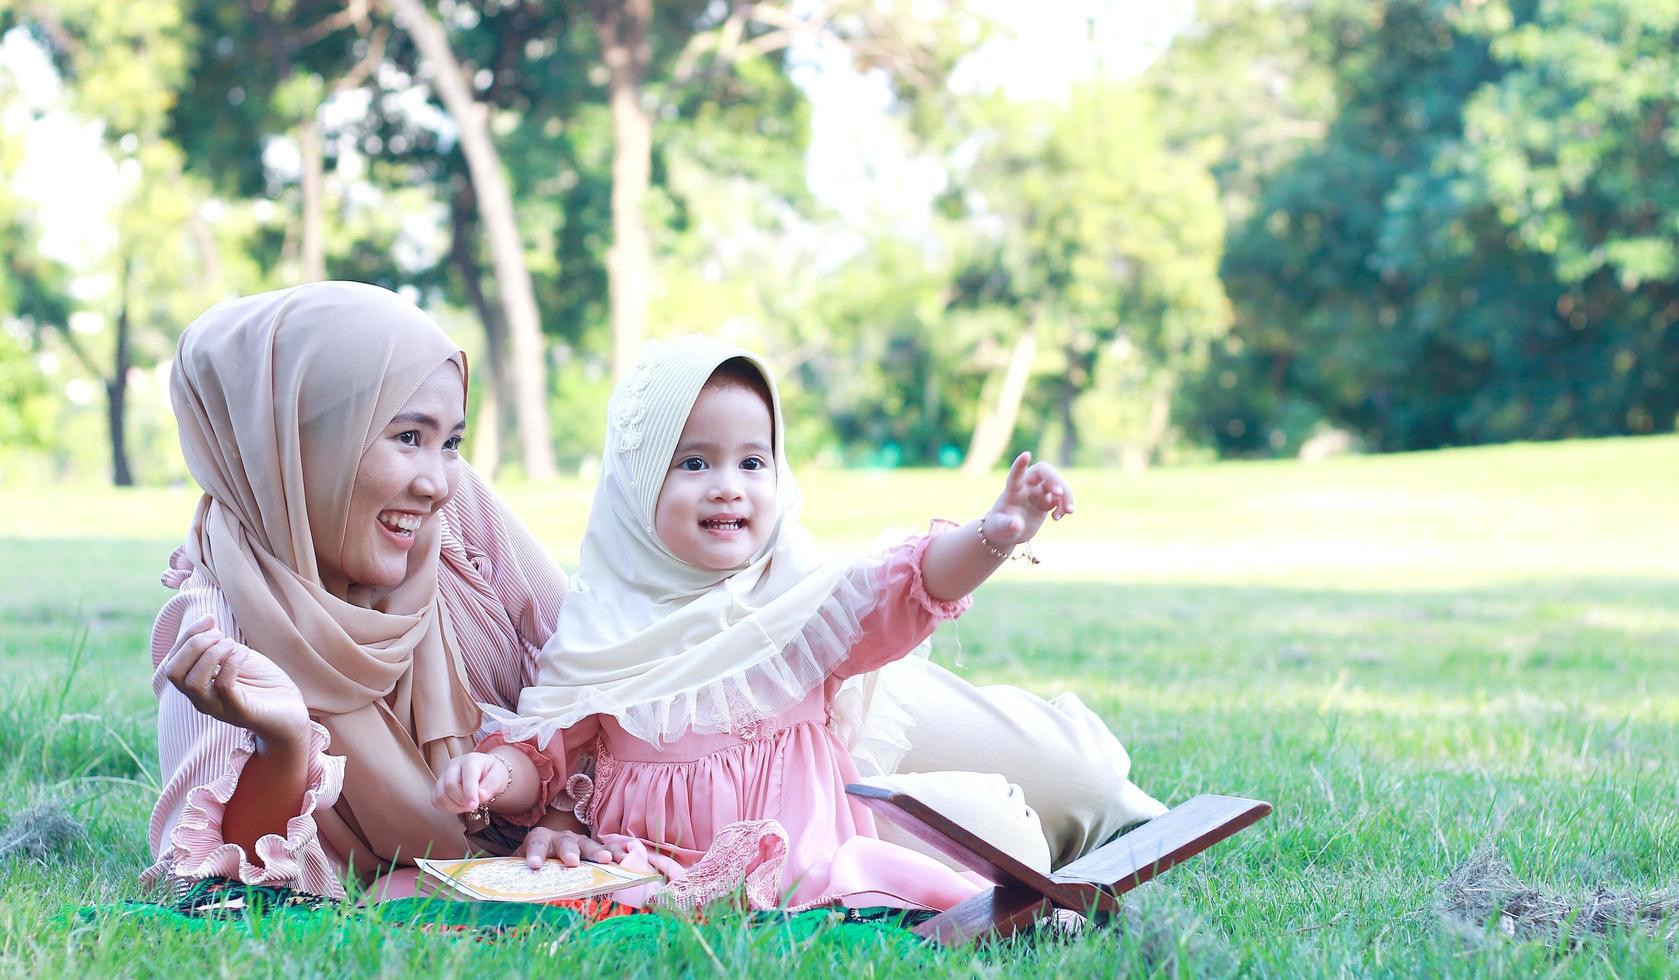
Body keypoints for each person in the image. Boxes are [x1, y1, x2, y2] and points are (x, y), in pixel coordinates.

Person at [147, 282, 1159, 902]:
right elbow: (212, 867)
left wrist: (582, 785)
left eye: (446, 439)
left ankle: (1121, 798)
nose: (436, 477)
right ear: (297, 439)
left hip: (735, 691)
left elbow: (592, 654)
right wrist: (286, 740)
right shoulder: (222, 618)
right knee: (996, 837)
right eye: (401, 437)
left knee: (1074, 778)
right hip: (670, 819)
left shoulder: (450, 518)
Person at [432, 336, 1156, 911]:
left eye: (753, 461)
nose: (728, 485)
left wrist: (995, 533)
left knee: (992, 840)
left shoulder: (798, 607)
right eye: (692, 462)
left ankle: (1071, 827)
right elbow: (551, 755)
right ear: (634, 484)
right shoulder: (601, 629)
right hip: (655, 869)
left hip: (809, 860)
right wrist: (494, 774)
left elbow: (908, 589)